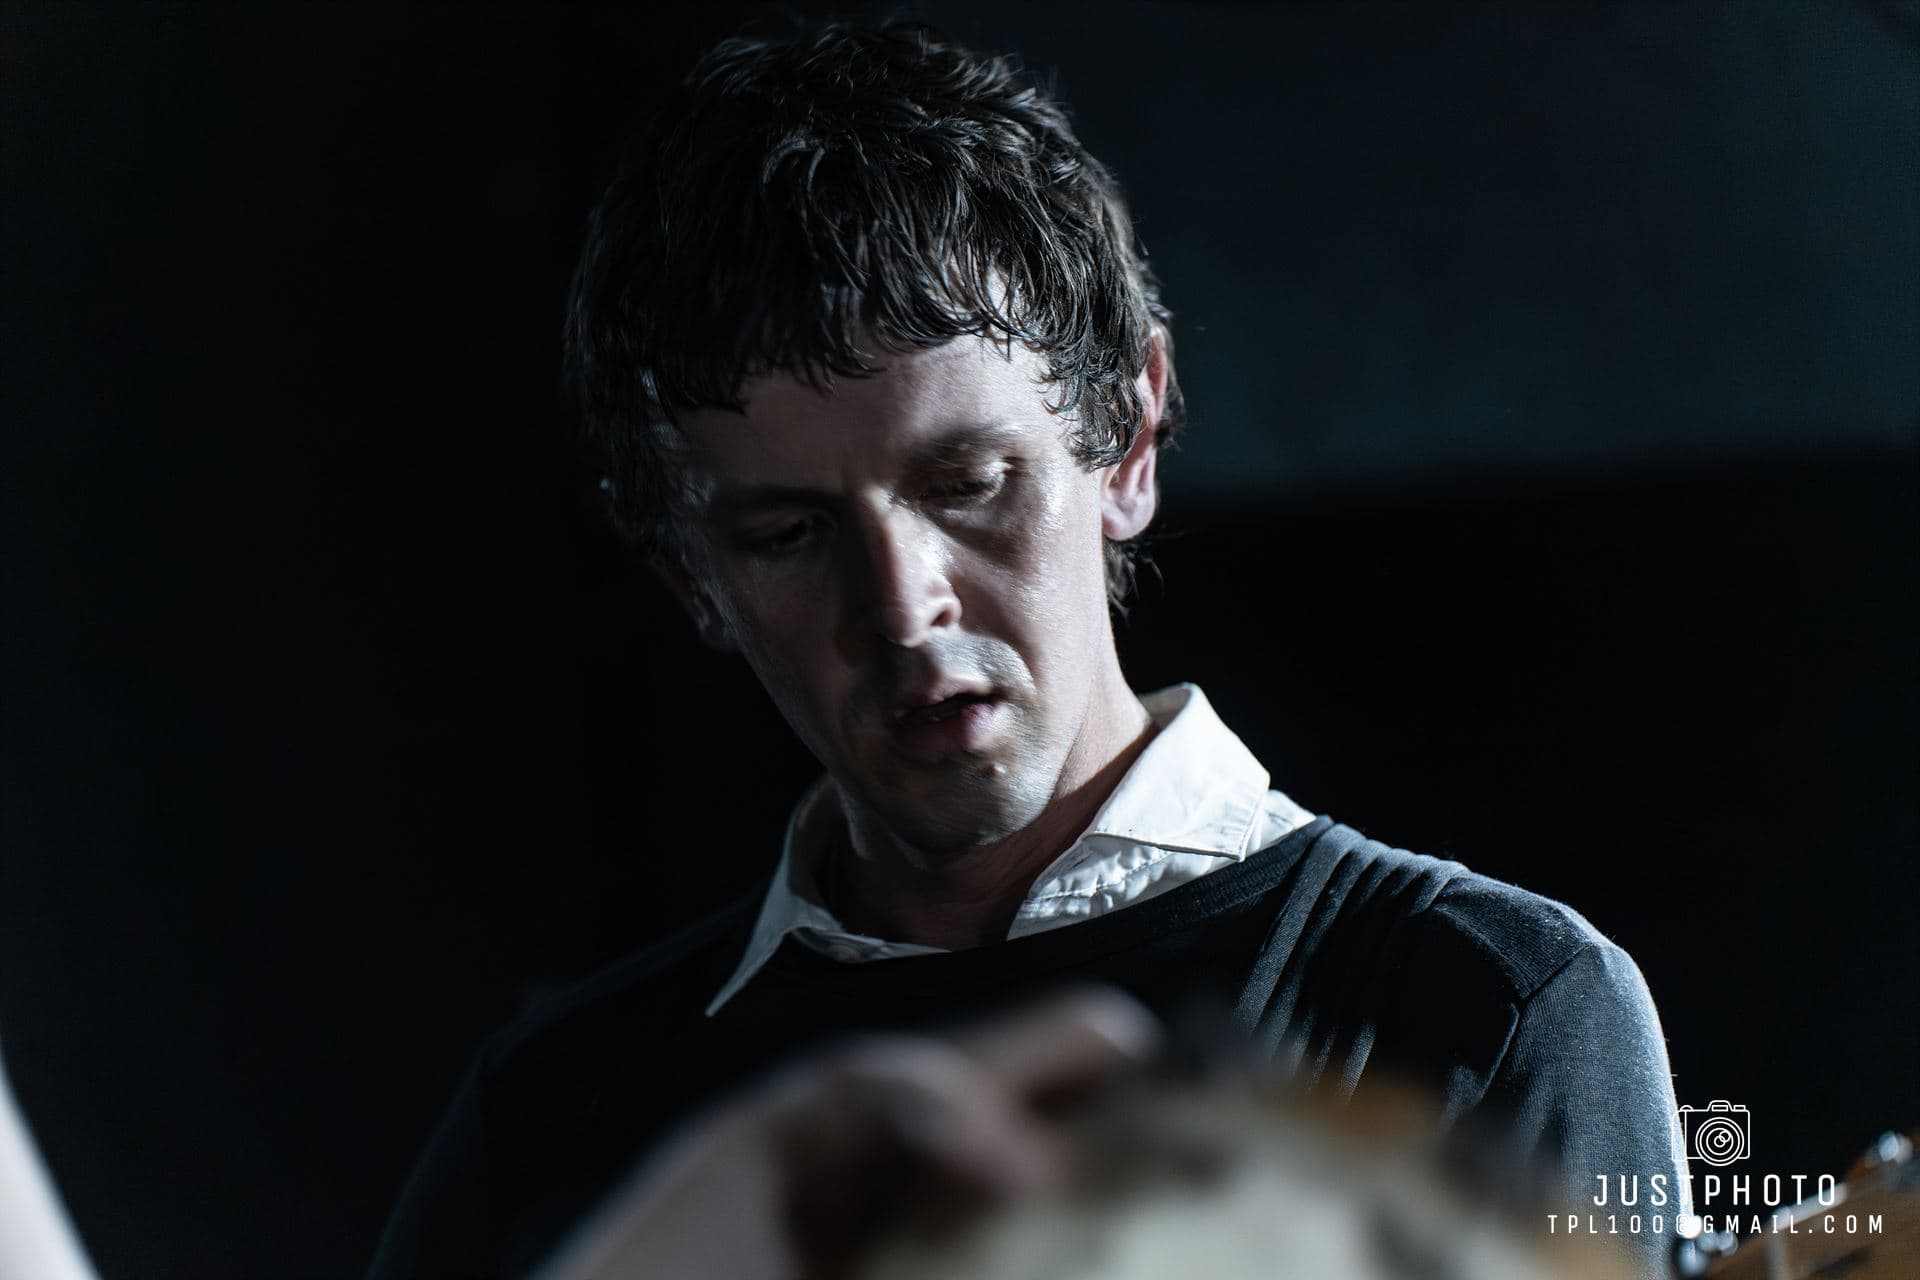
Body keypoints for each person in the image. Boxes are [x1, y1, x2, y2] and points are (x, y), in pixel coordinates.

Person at [370, 21, 1688, 1279]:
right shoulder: (549, 1117)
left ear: (1128, 440)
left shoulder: (1483, 1004)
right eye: (787, 534)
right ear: (689, 579)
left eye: (968, 485)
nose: (902, 609)